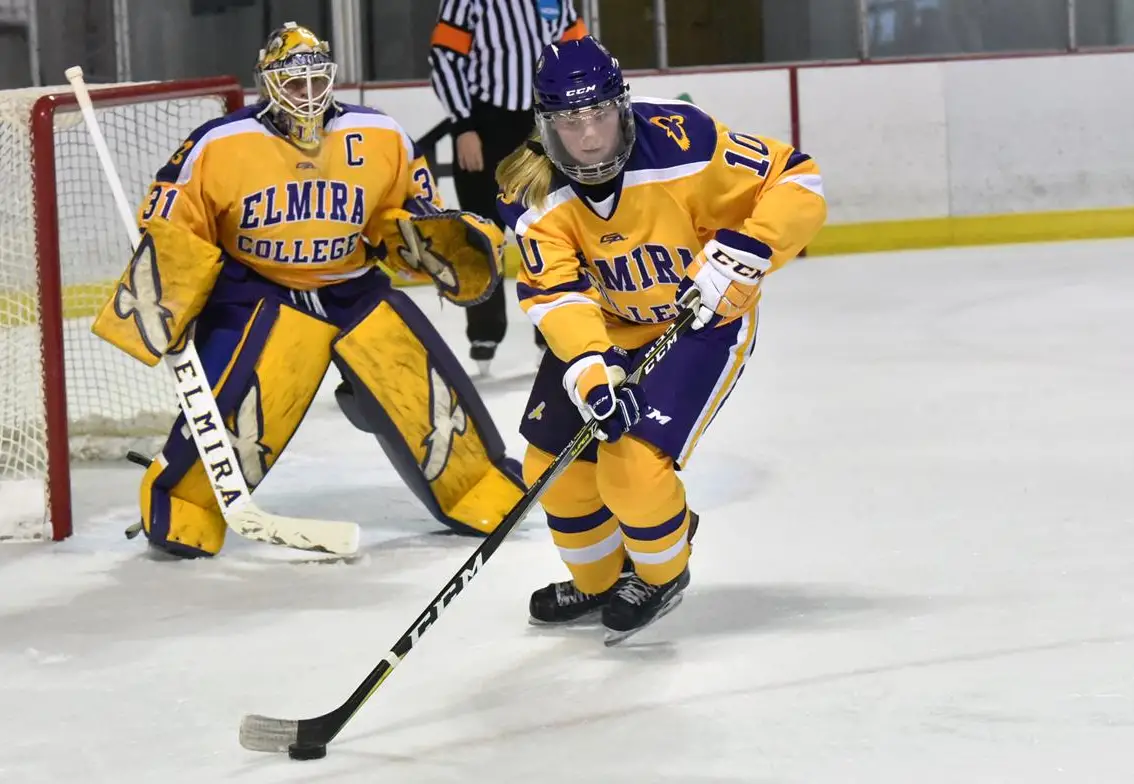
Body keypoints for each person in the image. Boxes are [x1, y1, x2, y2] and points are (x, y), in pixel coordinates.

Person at [91, 22, 525, 558]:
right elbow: (172, 217)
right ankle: (183, 504)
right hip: (257, 291)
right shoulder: (220, 142)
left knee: (426, 386)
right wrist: (169, 276)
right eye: (295, 84)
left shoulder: (381, 134)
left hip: (353, 287)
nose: (309, 93)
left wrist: (425, 233)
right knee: (236, 409)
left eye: (318, 80)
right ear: (268, 83)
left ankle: (477, 487)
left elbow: (407, 207)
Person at [495, 37, 826, 642]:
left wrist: (751, 249)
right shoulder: (531, 189)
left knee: (632, 467)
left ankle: (659, 574)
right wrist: (593, 373)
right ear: (545, 127)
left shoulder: (684, 140)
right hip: (607, 328)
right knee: (552, 467)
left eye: (597, 115)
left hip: (701, 322)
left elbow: (797, 180)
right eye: (571, 122)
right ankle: (596, 581)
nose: (590, 136)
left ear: (620, 107)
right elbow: (556, 295)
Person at [428, 0, 588, 375]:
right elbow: (445, 58)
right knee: (482, 232)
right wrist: (463, 124)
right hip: (485, 124)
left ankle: (553, 333)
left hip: (542, 123)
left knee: (552, 229)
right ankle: (483, 336)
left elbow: (576, 51)